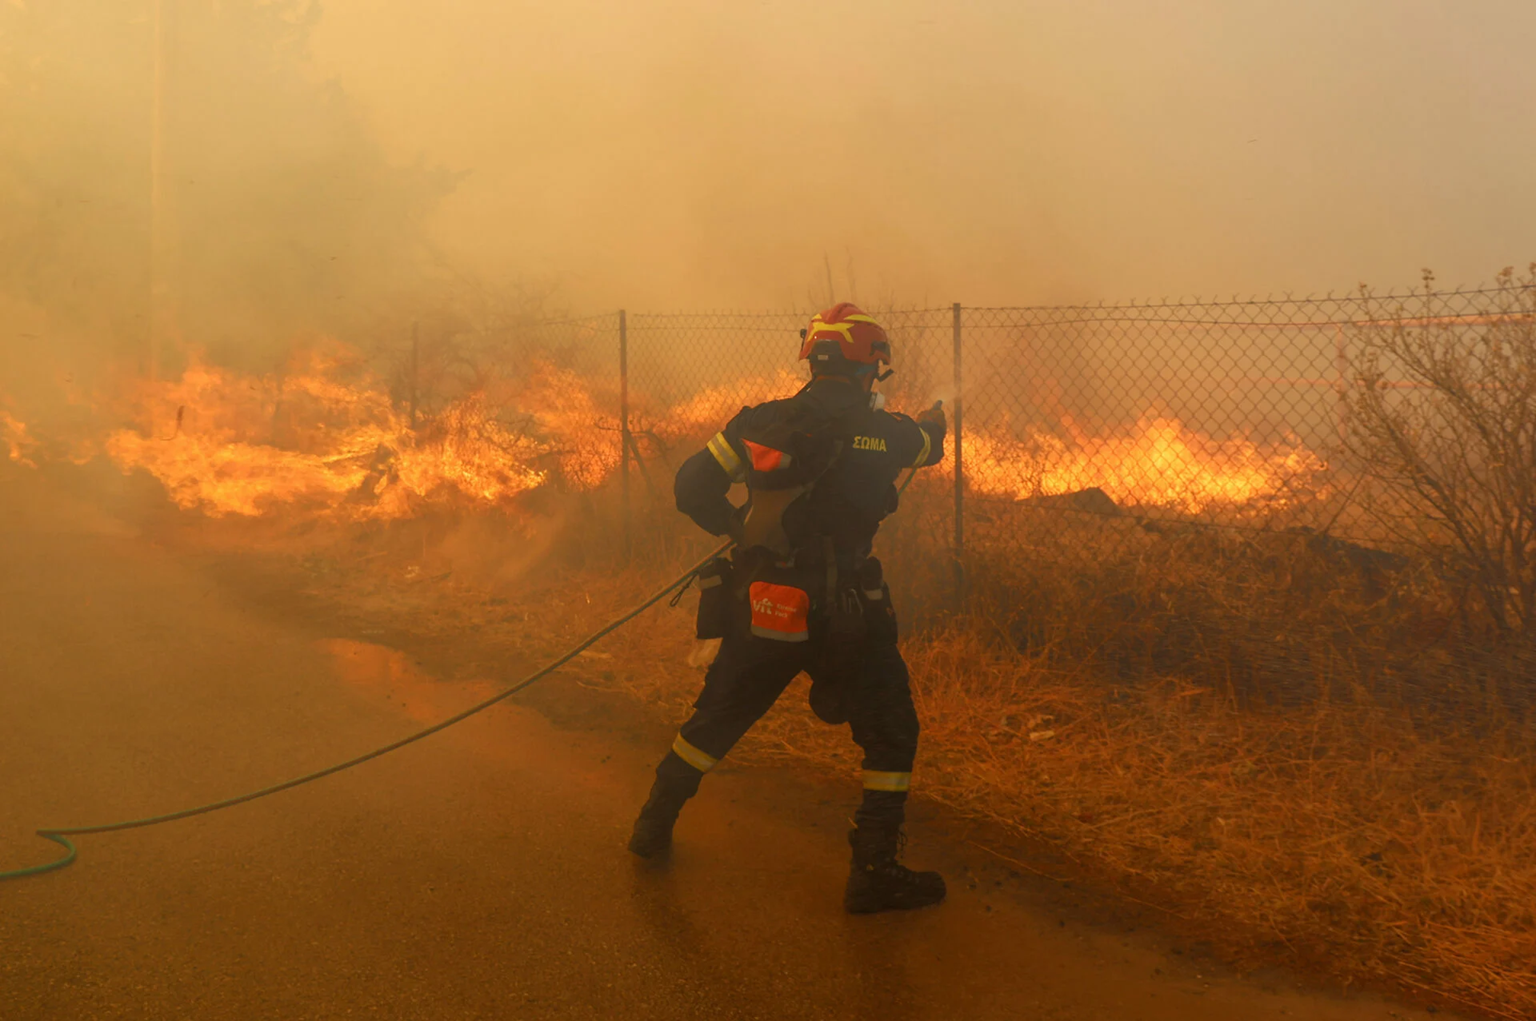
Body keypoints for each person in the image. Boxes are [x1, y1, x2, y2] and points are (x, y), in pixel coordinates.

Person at [627, 303, 949, 914]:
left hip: (766, 603)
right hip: (849, 613)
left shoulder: (759, 422)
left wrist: (740, 529)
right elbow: (928, 446)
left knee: (717, 718)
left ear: (814, 359)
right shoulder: (888, 432)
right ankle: (874, 869)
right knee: (890, 733)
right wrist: (934, 420)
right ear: (869, 365)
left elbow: (690, 487)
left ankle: (651, 826)